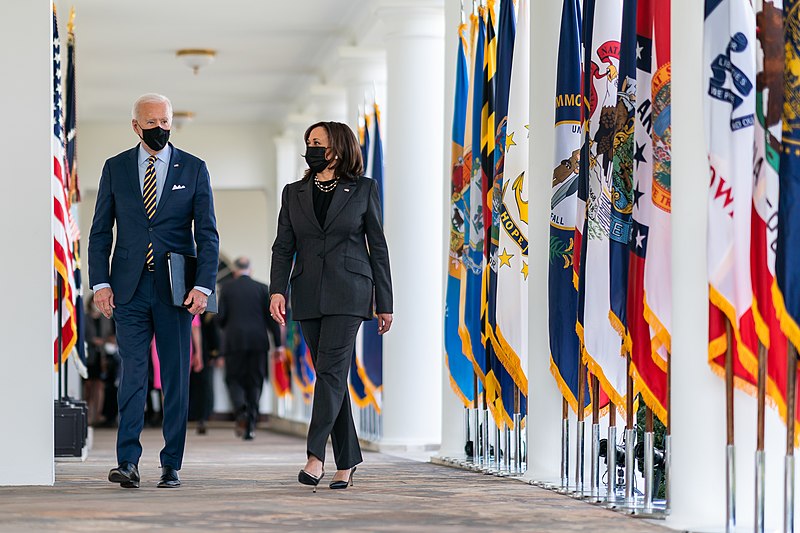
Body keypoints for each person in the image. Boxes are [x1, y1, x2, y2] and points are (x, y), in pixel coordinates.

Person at [88, 93, 219, 489]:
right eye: (151, 123)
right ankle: (127, 461)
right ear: (135, 126)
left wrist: (203, 286)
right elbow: (100, 232)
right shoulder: (115, 168)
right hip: (128, 289)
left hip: (176, 290)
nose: (160, 128)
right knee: (132, 375)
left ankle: (171, 463)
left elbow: (207, 234)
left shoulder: (194, 168)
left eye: (165, 121)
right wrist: (100, 283)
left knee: (176, 377)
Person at [269, 121, 393, 491]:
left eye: (318, 142)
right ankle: (348, 462)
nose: (312, 148)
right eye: (309, 142)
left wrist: (385, 301)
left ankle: (315, 455)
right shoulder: (293, 193)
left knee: (330, 371)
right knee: (331, 375)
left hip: (350, 291)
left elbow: (378, 246)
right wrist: (277, 291)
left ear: (337, 148)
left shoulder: (364, 188)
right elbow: (283, 246)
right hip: (307, 292)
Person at [218, 256, 283, 441]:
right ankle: (251, 424)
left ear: (234, 271)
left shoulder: (227, 288)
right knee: (255, 381)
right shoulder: (262, 288)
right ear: (251, 270)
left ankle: (241, 411)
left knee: (234, 379)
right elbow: (272, 320)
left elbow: (220, 318)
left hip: (234, 342)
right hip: (258, 342)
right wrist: (278, 345)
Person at [83, 294, 116, 426]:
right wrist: (92, 340)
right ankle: (88, 415)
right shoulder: (85, 318)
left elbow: (111, 335)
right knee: (88, 386)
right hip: (89, 355)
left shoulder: (106, 318)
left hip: (102, 357)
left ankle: (97, 414)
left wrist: (106, 340)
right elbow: (81, 335)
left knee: (100, 385)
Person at [190, 312, 221, 435]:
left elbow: (212, 332)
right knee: (203, 385)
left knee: (200, 385)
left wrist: (214, 353)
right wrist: (215, 353)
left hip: (199, 351)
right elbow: (213, 333)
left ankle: (198, 415)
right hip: (203, 351)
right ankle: (202, 416)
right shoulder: (207, 313)